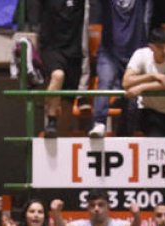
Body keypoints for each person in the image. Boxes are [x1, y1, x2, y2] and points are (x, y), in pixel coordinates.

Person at [90, 0, 150, 138]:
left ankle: (125, 134)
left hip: (135, 52)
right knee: (105, 81)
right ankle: (99, 123)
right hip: (109, 52)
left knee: (131, 99)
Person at [124, 28, 165, 138]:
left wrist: (142, 87)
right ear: (151, 47)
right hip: (150, 111)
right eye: (160, 47)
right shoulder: (141, 55)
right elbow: (126, 82)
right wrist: (152, 75)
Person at [35, 0, 87, 137]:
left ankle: (60, 146)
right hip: (52, 49)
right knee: (58, 75)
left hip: (73, 53)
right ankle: (51, 119)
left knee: (67, 107)